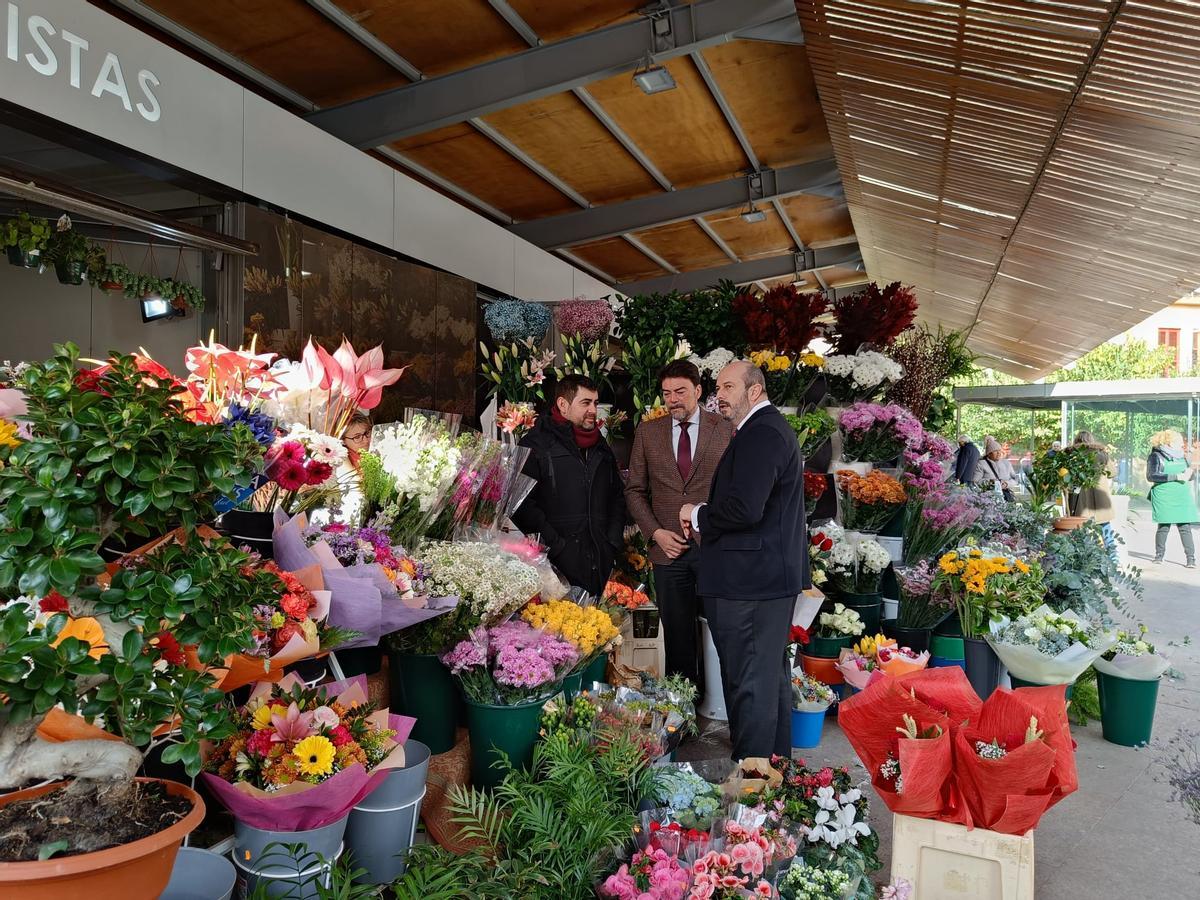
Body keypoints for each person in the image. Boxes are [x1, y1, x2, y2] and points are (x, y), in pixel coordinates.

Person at [679, 361, 807, 760]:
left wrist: (698, 513)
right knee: (766, 680)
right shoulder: (760, 430)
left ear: (754, 391)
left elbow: (745, 509)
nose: (719, 394)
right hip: (759, 579)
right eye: (718, 386)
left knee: (750, 683)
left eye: (728, 386)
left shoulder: (763, 432)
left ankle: (750, 784)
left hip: (752, 583)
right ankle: (771, 772)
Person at [625, 359, 733, 697]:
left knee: (725, 631)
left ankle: (731, 707)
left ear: (699, 391)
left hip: (715, 547)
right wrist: (655, 532)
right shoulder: (648, 432)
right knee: (677, 636)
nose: (673, 399)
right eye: (666, 393)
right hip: (667, 552)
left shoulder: (726, 429)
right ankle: (683, 710)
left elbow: (735, 489)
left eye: (680, 391)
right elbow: (634, 490)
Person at [514, 374, 626, 595]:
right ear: (563, 405)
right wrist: (556, 546)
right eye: (585, 403)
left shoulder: (600, 446)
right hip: (554, 567)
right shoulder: (536, 444)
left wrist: (611, 542)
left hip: (598, 562)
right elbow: (522, 504)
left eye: (595, 402)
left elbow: (617, 497)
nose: (593, 410)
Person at [1146, 429, 1198, 567]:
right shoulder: (1155, 456)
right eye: (1179, 441)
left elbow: (1189, 476)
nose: (1182, 444)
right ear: (1169, 443)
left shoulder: (1183, 457)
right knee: (1163, 526)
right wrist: (1175, 477)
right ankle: (1159, 556)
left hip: (1181, 495)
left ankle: (1191, 559)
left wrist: (1191, 473)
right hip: (1164, 496)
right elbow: (1151, 475)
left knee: (1185, 527)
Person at [1070, 430, 1117, 557]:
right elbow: (1112, 473)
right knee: (1106, 529)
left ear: (1076, 440)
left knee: (1080, 530)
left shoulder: (1071, 454)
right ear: (1091, 440)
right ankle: (1114, 560)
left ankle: (1085, 560)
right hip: (1100, 497)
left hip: (1080, 499)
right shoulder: (1102, 454)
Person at [973, 435, 1017, 500]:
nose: (999, 453)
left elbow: (1015, 479)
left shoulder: (1006, 463)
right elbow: (975, 481)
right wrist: (989, 482)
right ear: (989, 454)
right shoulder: (981, 464)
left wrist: (1006, 484)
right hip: (989, 499)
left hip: (1006, 497)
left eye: (999, 450)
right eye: (995, 451)